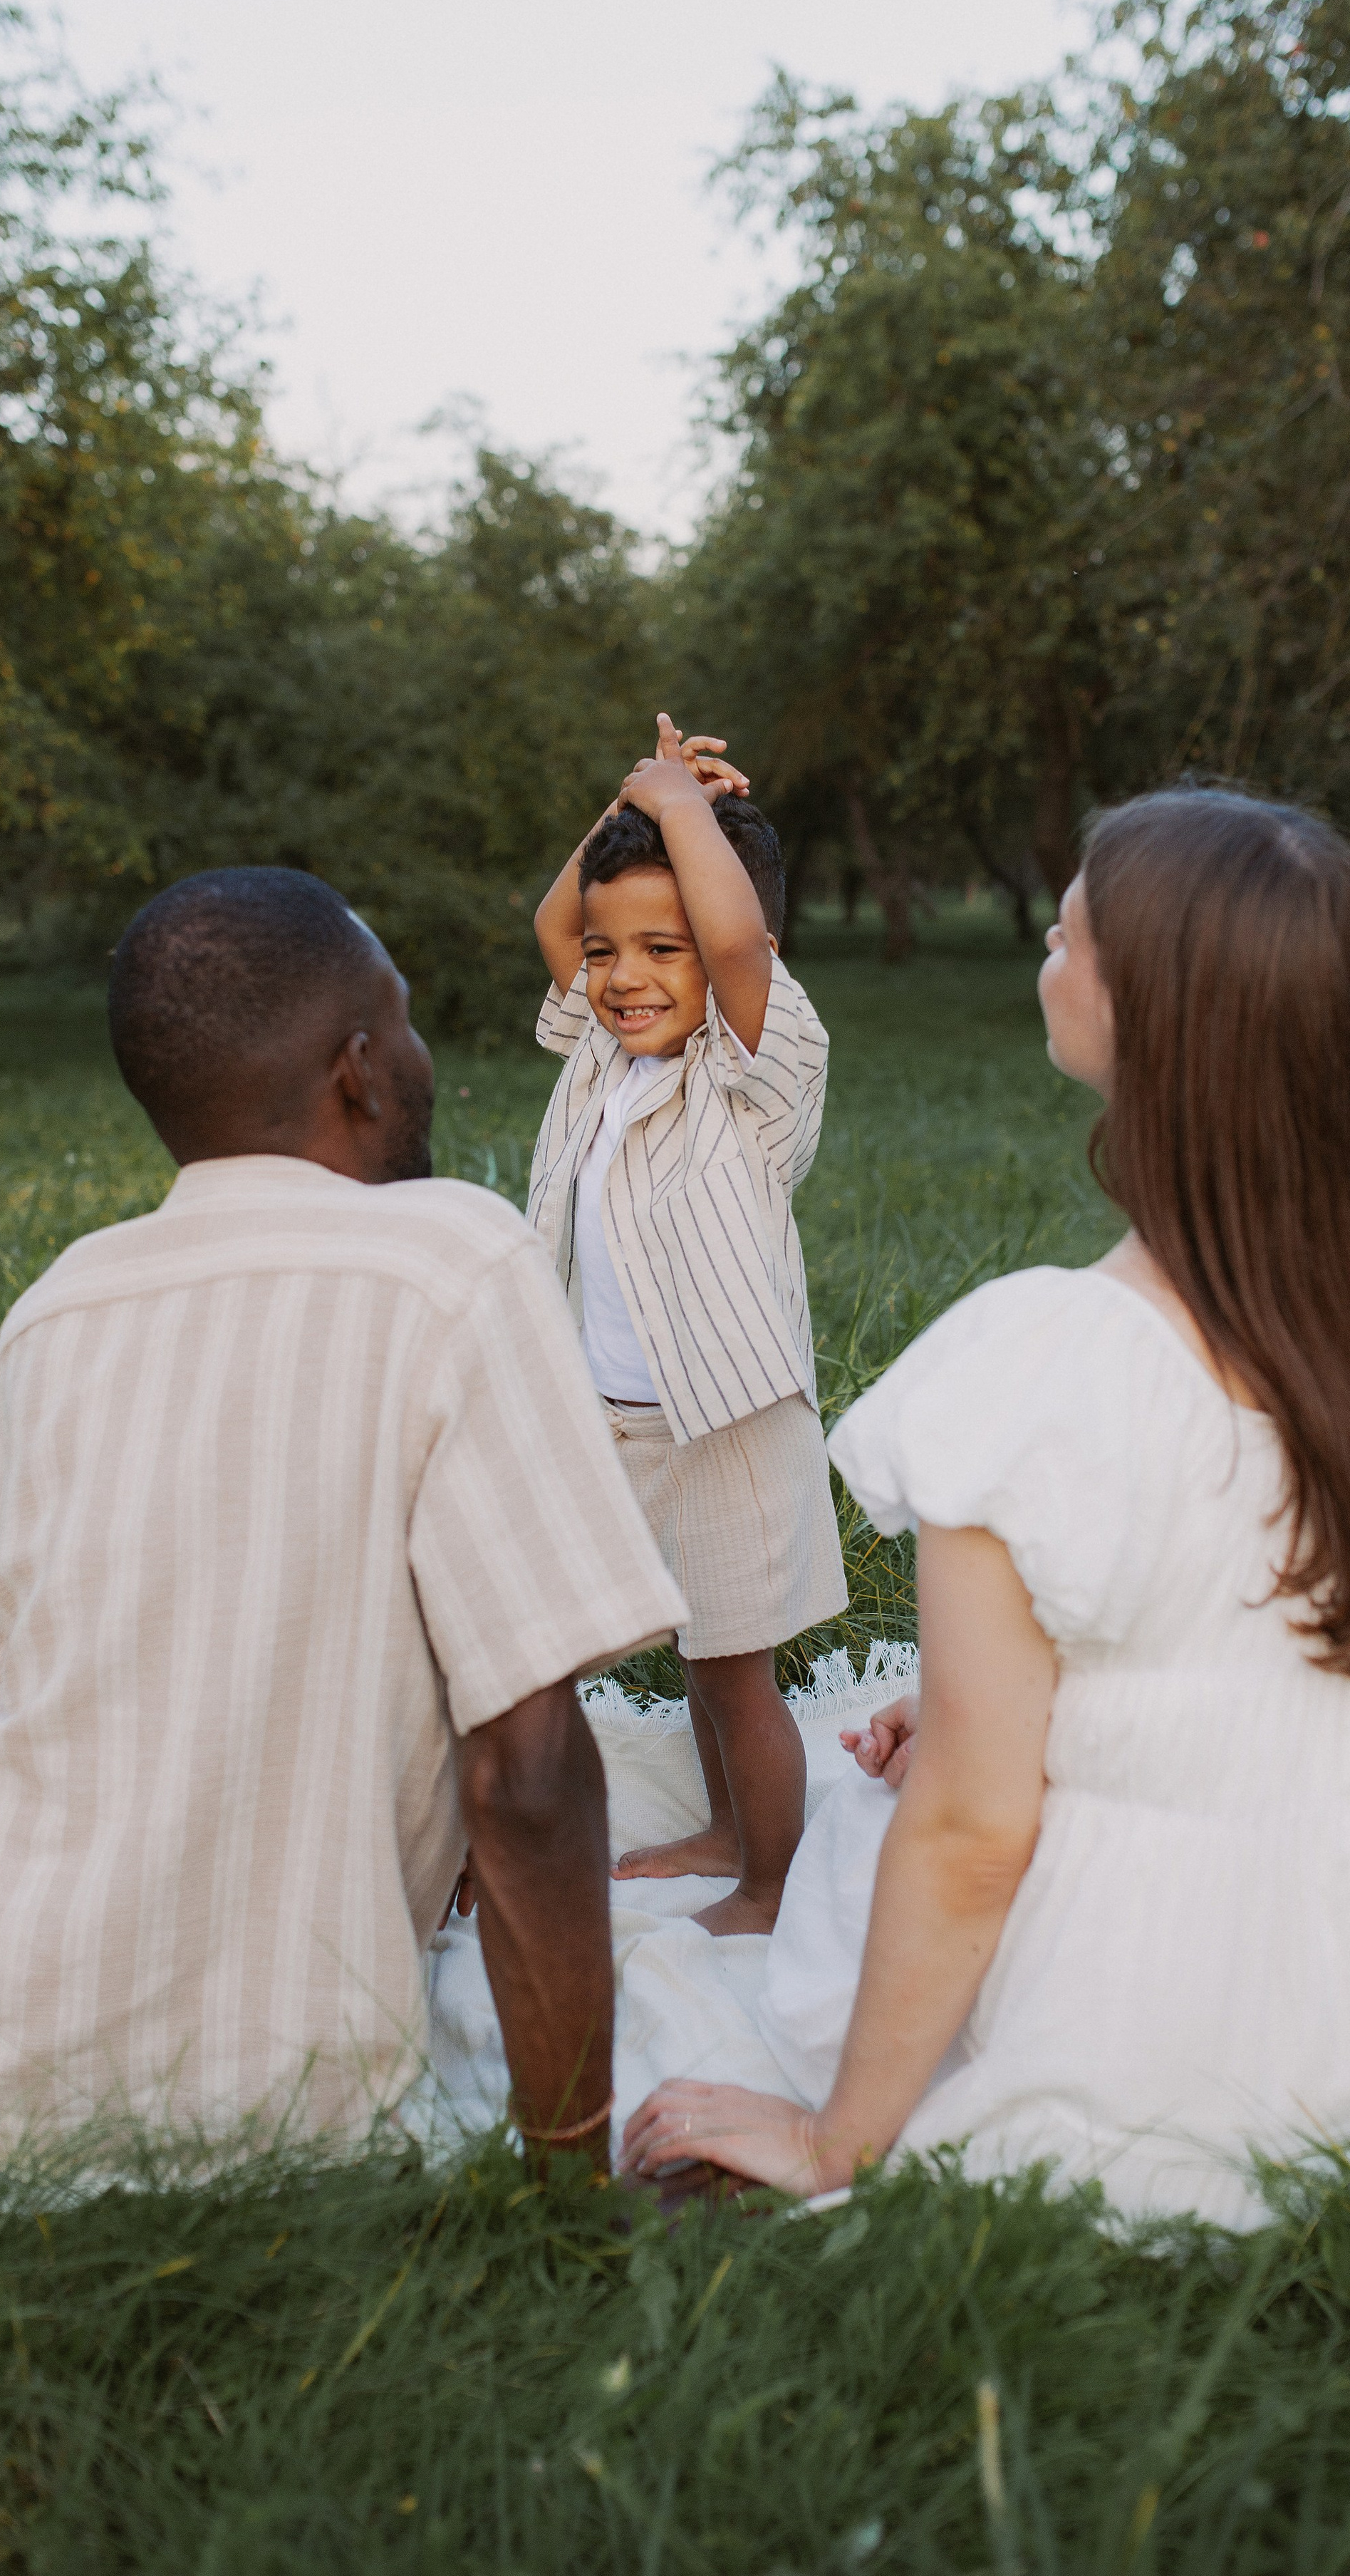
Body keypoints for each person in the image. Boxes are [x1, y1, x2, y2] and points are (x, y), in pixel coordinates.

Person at [621, 787, 1350, 2228]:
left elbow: (967, 1831)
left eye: (1065, 931)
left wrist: (841, 2136)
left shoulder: (1053, 1363)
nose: (1041, 946)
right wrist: (1015, 1709)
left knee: (877, 1823)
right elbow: (1295, 1657)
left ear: (1144, 1015)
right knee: (917, 1733)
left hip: (1159, 2002)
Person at [0, 868, 684, 2178]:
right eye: (408, 1023)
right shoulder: (455, 1260)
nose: (423, 1056)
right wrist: (569, 2164)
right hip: (297, 2085)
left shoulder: (64, 1302)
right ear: (360, 1069)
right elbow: (534, 1768)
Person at [528, 715, 847, 1936]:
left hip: (724, 1426)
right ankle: (720, 1829)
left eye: (662, 949)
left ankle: (766, 1885)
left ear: (740, 953)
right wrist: (638, 801)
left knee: (734, 1669)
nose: (624, 977)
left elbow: (728, 932)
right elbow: (560, 924)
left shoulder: (753, 1068)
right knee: (665, 1657)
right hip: (605, 1421)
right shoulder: (604, 1060)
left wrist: (686, 808)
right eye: (612, 956)